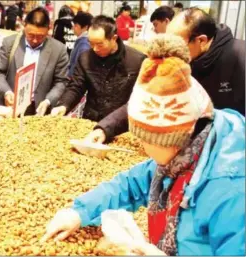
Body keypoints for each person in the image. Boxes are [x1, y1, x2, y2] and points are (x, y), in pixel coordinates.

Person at [42, 34, 245, 256]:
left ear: (171, 138)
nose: (140, 144)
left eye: (144, 138)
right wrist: (78, 212)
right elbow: (130, 185)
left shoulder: (230, 192)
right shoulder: (183, 156)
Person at [85, 7, 245, 145]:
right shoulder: (178, 60)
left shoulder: (240, 57)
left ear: (201, 41)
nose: (170, 49)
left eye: (177, 43)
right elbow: (148, 99)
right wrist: (105, 128)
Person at [50, 15, 145, 122]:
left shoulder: (137, 61)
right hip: (92, 121)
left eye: (100, 44)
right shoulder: (85, 58)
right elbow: (76, 86)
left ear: (114, 39)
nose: (95, 49)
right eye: (91, 43)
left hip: (122, 123)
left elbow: (140, 98)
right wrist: (64, 105)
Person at [0, 7, 69, 116]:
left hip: (40, 110)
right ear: (24, 25)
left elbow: (61, 81)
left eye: (41, 36)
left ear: (49, 29)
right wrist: (6, 92)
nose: (35, 40)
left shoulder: (58, 50)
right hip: (11, 107)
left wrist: (48, 101)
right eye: (31, 35)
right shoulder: (9, 43)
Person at [68, 11, 92, 78]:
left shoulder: (84, 44)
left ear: (86, 27)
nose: (73, 28)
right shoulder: (83, 41)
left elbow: (79, 68)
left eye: (76, 26)